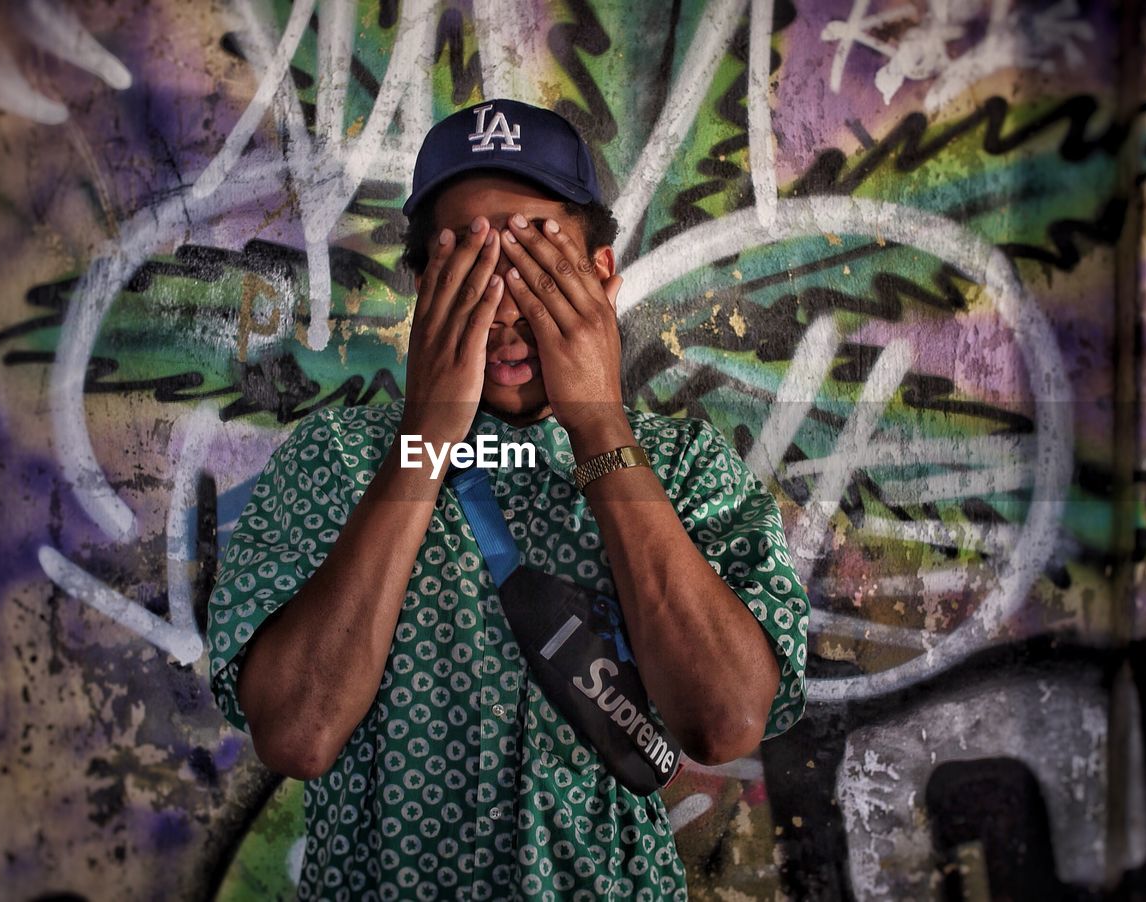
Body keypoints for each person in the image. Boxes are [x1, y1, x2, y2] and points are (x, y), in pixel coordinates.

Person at [207, 98, 810, 902]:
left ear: (600, 274)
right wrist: (425, 435)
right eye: (470, 269)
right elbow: (297, 734)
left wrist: (600, 430)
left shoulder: (685, 467)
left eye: (537, 262)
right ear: (425, 288)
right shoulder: (335, 464)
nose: (506, 309)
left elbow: (726, 719)